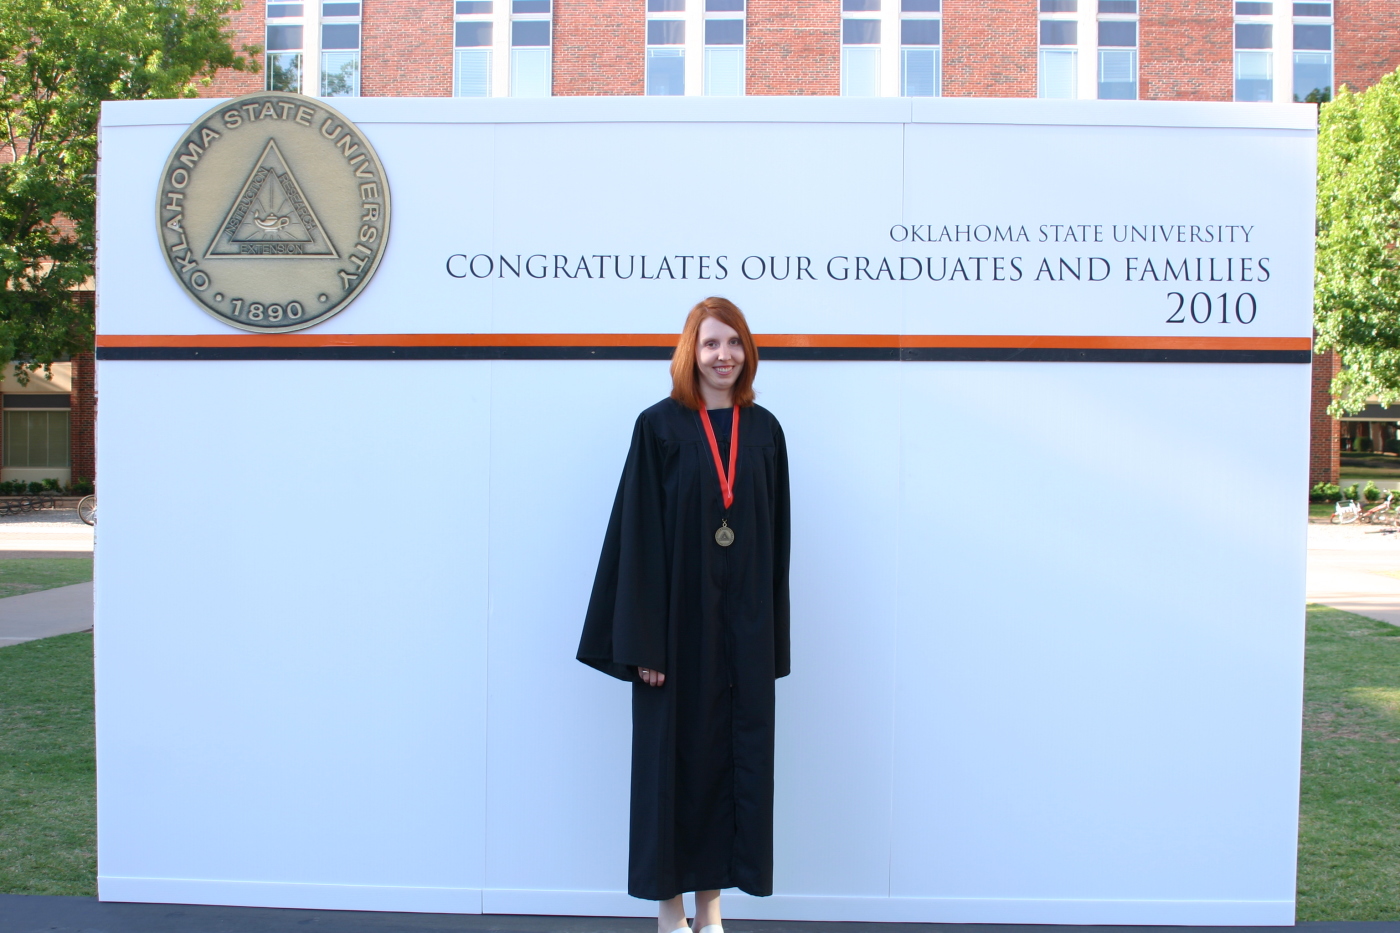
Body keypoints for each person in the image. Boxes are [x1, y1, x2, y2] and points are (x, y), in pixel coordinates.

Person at [577, 297, 791, 933]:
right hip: (674, 632)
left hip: (743, 629)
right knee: (671, 766)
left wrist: (770, 639)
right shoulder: (659, 427)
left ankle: (711, 908)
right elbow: (638, 537)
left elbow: (777, 541)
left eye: (734, 342)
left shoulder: (765, 431)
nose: (724, 355)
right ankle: (670, 911)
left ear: (748, 352)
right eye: (711, 343)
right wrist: (643, 642)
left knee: (732, 762)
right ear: (690, 353)